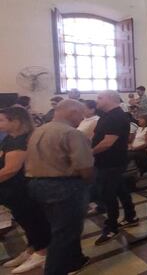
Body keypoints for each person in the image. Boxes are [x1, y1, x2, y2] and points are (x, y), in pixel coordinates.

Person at [26, 100, 93, 275]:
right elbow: (84, 166)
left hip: (37, 184)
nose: (82, 118)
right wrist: (87, 182)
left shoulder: (40, 130)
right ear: (72, 112)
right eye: (80, 114)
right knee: (64, 234)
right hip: (63, 186)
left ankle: (75, 260)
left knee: (57, 226)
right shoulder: (71, 133)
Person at [0, 107, 50, 274]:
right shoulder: (10, 138)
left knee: (32, 219)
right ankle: (32, 249)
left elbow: (10, 170)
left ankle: (42, 252)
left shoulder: (21, 141)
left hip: (21, 188)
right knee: (24, 220)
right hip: (12, 189)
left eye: (2, 120)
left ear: (16, 122)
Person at [92, 90, 137, 245]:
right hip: (107, 162)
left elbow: (108, 142)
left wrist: (89, 152)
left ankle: (112, 227)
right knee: (119, 189)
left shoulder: (117, 117)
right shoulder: (106, 116)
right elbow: (97, 136)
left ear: (110, 99)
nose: (96, 100)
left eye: (99, 97)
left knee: (108, 194)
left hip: (111, 162)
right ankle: (131, 216)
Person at [129, 113, 147, 177]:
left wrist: (135, 148)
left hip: (143, 150)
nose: (139, 120)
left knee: (128, 155)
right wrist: (131, 146)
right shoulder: (139, 128)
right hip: (135, 149)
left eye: (141, 119)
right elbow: (134, 139)